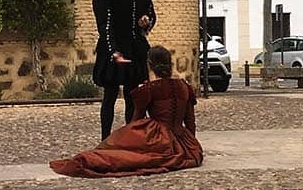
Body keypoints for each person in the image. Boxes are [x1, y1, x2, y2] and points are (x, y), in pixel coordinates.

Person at [51, 46, 202, 177]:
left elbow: (136, 122)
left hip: (160, 139)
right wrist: (190, 145)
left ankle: (95, 156)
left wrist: (124, 142)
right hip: (184, 141)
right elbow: (190, 121)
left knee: (120, 152)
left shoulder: (148, 89)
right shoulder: (184, 86)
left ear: (150, 65)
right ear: (170, 64)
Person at [91, 0, 156, 139]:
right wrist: (114, 52)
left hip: (135, 48)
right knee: (110, 96)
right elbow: (105, 27)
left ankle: (131, 138)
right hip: (112, 47)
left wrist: (146, 22)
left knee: (133, 97)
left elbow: (151, 16)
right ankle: (105, 139)